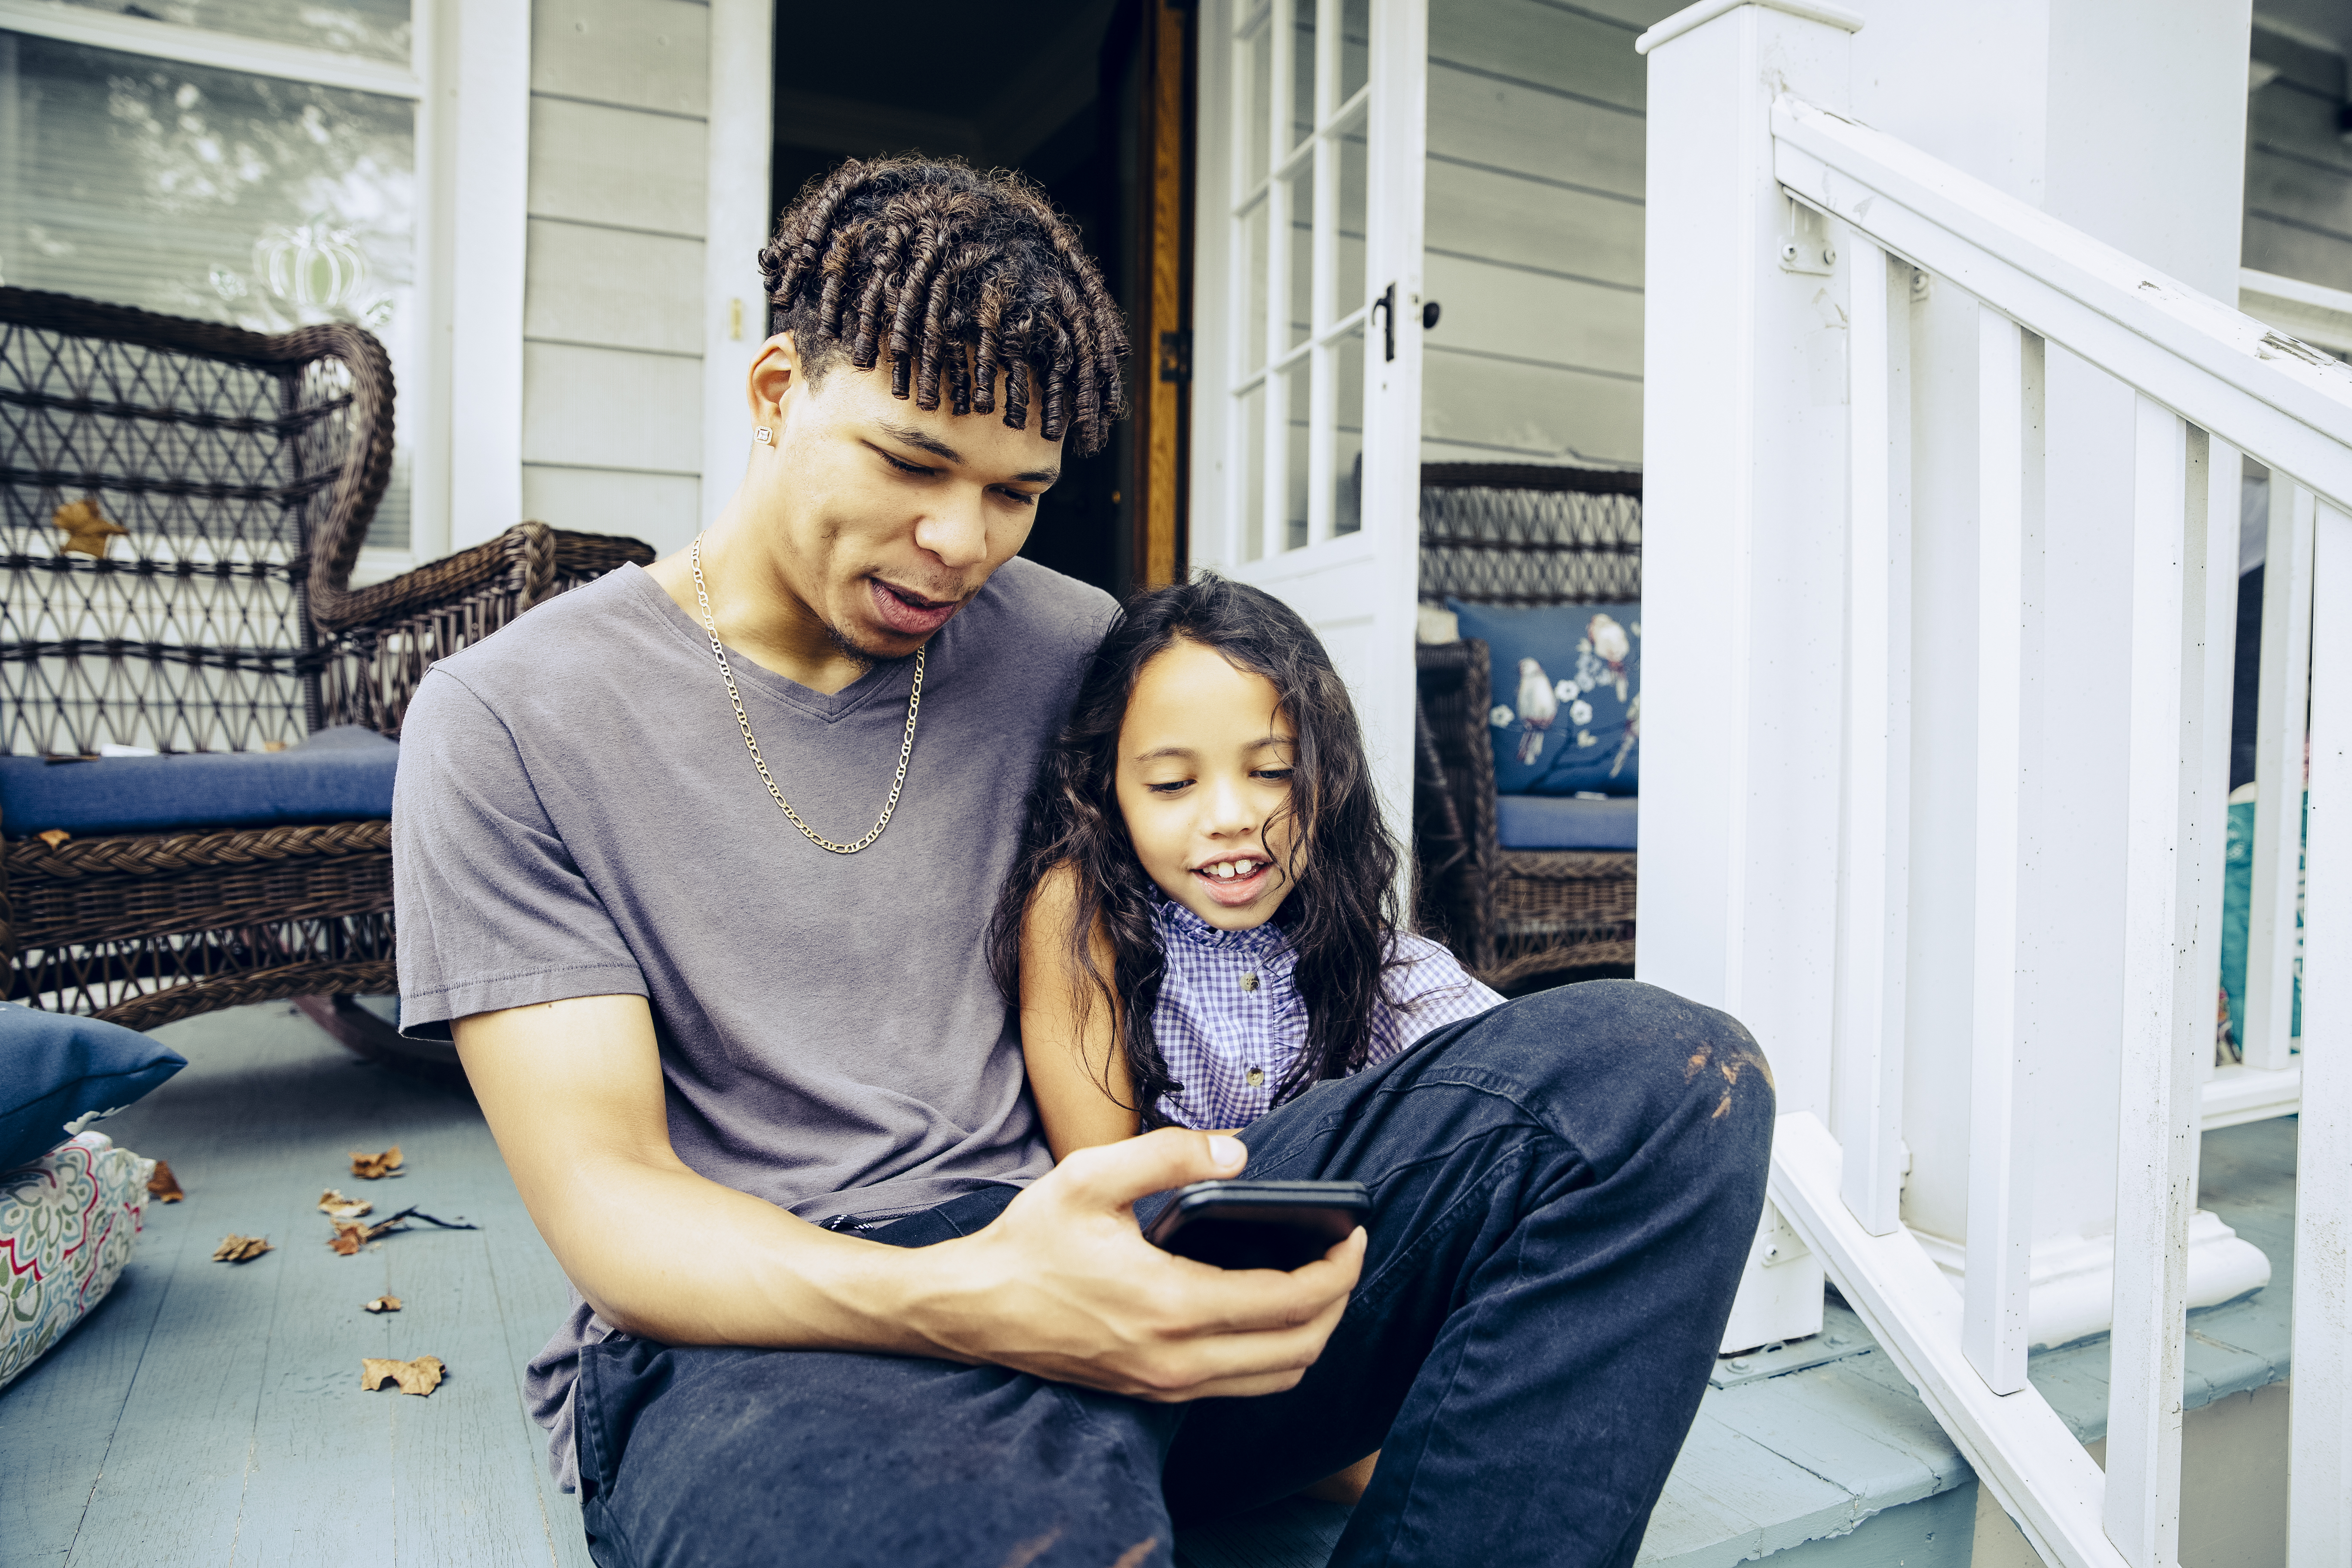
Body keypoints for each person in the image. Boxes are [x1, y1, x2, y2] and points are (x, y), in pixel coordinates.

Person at [393, 155, 1774, 1568]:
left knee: (1663, 1079)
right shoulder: (509, 719)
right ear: (775, 392)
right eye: (913, 460)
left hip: (1116, 1236)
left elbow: (1243, 875)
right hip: (784, 1330)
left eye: (1017, 491)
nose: (958, 543)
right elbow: (614, 1198)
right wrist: (982, 1293)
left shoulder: (1068, 642)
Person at [992, 575, 1505, 1153]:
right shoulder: (1085, 923)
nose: (1230, 817)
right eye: (1172, 783)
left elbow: (1521, 1080)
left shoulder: (1374, 960)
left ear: (1326, 780)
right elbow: (1103, 1175)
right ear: (1108, 794)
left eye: (1273, 772)